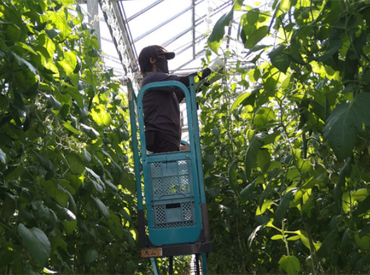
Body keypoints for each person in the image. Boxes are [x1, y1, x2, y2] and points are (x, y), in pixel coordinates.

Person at [138, 45, 223, 153]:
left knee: (169, 169)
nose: (165, 62)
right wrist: (211, 69)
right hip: (162, 136)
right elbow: (184, 80)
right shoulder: (152, 79)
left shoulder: (163, 87)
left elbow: (188, 89)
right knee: (168, 168)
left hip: (167, 138)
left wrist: (211, 80)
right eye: (163, 58)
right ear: (152, 60)